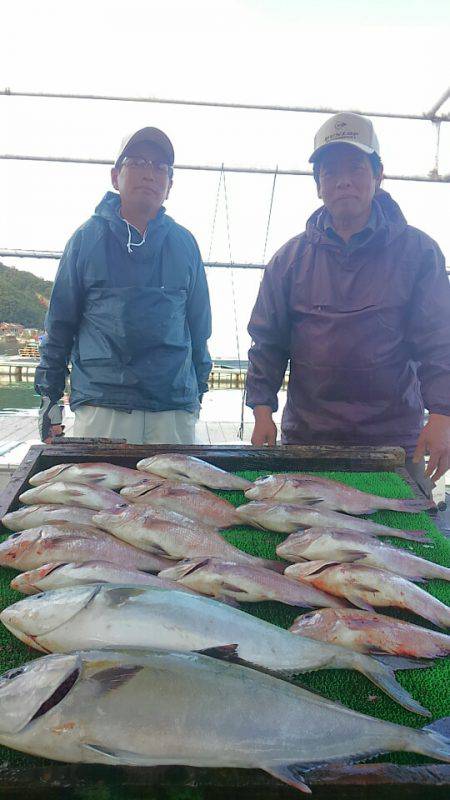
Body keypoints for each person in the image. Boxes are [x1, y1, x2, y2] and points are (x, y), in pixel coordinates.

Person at [246, 112, 450, 495]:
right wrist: (262, 411)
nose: (343, 180)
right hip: (307, 441)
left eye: (356, 167)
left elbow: (438, 342)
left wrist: (442, 415)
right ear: (318, 185)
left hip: (393, 445)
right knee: (304, 548)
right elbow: (267, 343)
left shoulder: (419, 253)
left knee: (401, 539)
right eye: (329, 171)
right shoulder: (289, 260)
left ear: (378, 175)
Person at [35, 126, 212, 445]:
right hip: (102, 406)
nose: (150, 173)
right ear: (116, 176)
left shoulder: (185, 244)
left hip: (173, 409)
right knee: (102, 495)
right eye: (139, 162)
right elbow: (59, 328)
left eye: (161, 167)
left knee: (174, 496)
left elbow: (200, 330)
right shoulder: (85, 241)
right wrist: (50, 401)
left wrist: (195, 394)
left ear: (170, 185)